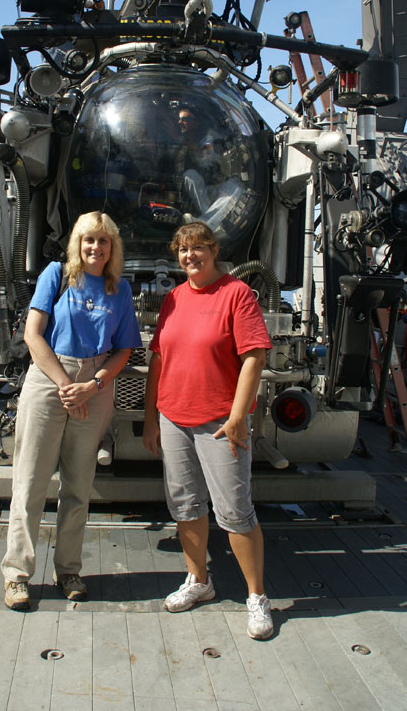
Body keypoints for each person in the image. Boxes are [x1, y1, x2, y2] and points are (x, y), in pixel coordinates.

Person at [1, 211, 142, 610]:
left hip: (95, 385)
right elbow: (32, 334)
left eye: (103, 241)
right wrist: (67, 386)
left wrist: (92, 385)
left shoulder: (120, 289)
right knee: (30, 482)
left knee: (78, 486)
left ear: (113, 247)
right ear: (77, 244)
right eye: (88, 240)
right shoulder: (56, 275)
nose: (95, 247)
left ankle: (68, 569)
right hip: (51, 379)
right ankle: (17, 574)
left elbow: (124, 349)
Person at [143, 221, 274, 639]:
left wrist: (238, 416)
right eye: (183, 250)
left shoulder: (236, 295)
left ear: (214, 250)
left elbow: (253, 357)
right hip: (174, 419)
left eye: (198, 248)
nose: (190, 256)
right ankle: (199, 580)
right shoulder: (174, 299)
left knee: (235, 513)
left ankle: (257, 597)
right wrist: (151, 417)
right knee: (185, 508)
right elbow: (158, 361)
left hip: (221, 423)